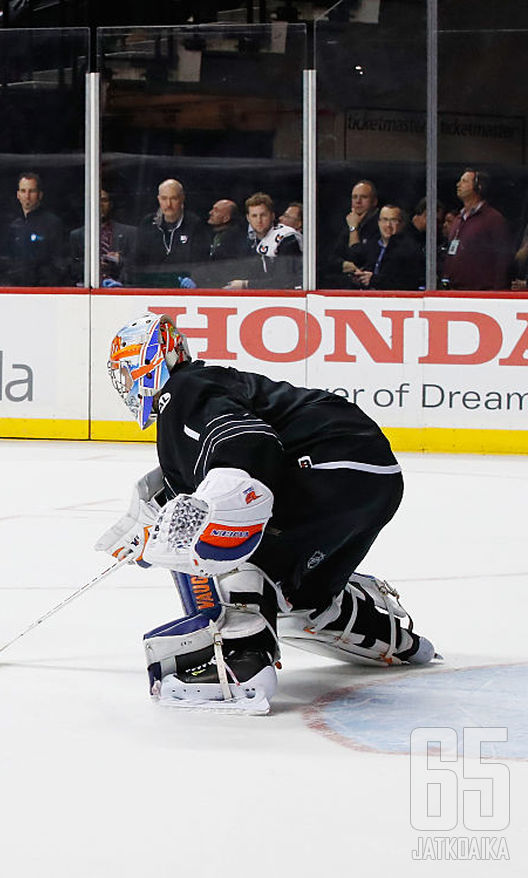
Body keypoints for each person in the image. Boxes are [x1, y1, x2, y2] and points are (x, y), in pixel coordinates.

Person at [94, 314, 436, 713]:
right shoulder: (208, 388)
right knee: (299, 596)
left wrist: (203, 517)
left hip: (325, 468)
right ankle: (378, 631)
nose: (126, 381)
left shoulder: (183, 390)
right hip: (372, 476)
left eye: (128, 368)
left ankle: (241, 662)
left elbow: (248, 444)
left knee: (210, 536)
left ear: (154, 360)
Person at [440, 168, 512, 290]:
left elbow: (503, 258)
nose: (458, 184)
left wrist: (497, 290)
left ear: (478, 187)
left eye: (464, 181)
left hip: (480, 293)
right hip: (454, 290)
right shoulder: (458, 219)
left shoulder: (493, 219)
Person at [132, 178, 206, 288]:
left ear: (182, 199)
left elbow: (202, 261)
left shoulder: (195, 224)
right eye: (164, 198)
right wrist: (123, 282)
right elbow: (135, 259)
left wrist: (196, 279)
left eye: (173, 198)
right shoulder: (147, 223)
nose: (168, 204)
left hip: (182, 291)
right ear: (158, 199)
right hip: (150, 289)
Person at [224, 192, 302, 290]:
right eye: (254, 216)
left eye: (263, 215)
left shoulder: (286, 238)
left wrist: (246, 284)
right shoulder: (251, 241)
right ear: (248, 218)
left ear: (272, 216)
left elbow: (283, 281)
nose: (259, 220)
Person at [6, 171, 66, 287]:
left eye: (32, 191)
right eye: (23, 191)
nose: (27, 196)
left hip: (43, 289)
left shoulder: (52, 223)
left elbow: (59, 261)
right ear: (18, 195)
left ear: (40, 194)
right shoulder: (13, 225)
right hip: (16, 288)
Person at [348, 204, 424, 291]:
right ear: (379, 222)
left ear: (402, 224)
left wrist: (374, 280)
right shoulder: (372, 244)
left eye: (393, 220)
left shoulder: (410, 249)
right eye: (384, 220)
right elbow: (357, 258)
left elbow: (408, 282)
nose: (388, 225)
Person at [69, 189, 134, 286]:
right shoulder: (76, 235)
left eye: (103, 200)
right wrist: (92, 264)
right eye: (95, 200)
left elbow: (140, 266)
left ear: (110, 204)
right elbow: (71, 268)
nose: (99, 205)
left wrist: (120, 260)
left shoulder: (129, 233)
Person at [322, 179, 379, 289]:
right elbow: (330, 257)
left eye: (364, 197)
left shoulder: (380, 225)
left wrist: (354, 228)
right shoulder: (348, 221)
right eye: (354, 197)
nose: (358, 201)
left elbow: (358, 259)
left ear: (374, 201)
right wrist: (342, 265)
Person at [202, 197, 250, 287]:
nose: (210, 213)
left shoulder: (235, 239)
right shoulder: (211, 234)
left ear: (226, 218)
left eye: (216, 211)